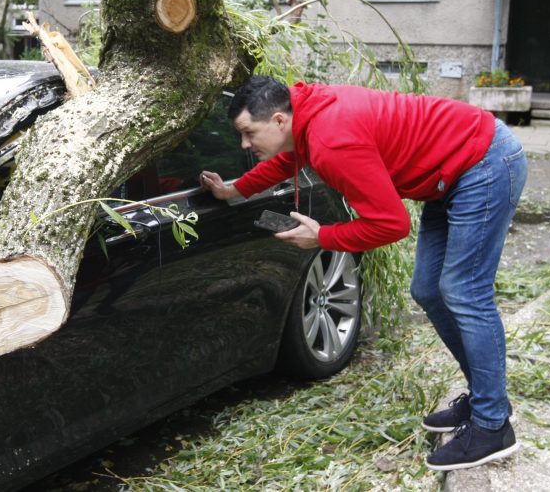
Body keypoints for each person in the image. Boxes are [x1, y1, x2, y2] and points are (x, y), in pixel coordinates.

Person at [199, 76, 527, 471]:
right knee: (427, 289)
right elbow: (289, 158)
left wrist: (322, 236)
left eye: (248, 133)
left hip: (482, 163)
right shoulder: (307, 115)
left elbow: (392, 225)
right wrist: (235, 190)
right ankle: (486, 399)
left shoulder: (333, 141)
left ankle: (493, 426)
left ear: (280, 119)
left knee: (463, 292)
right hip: (450, 171)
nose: (245, 145)